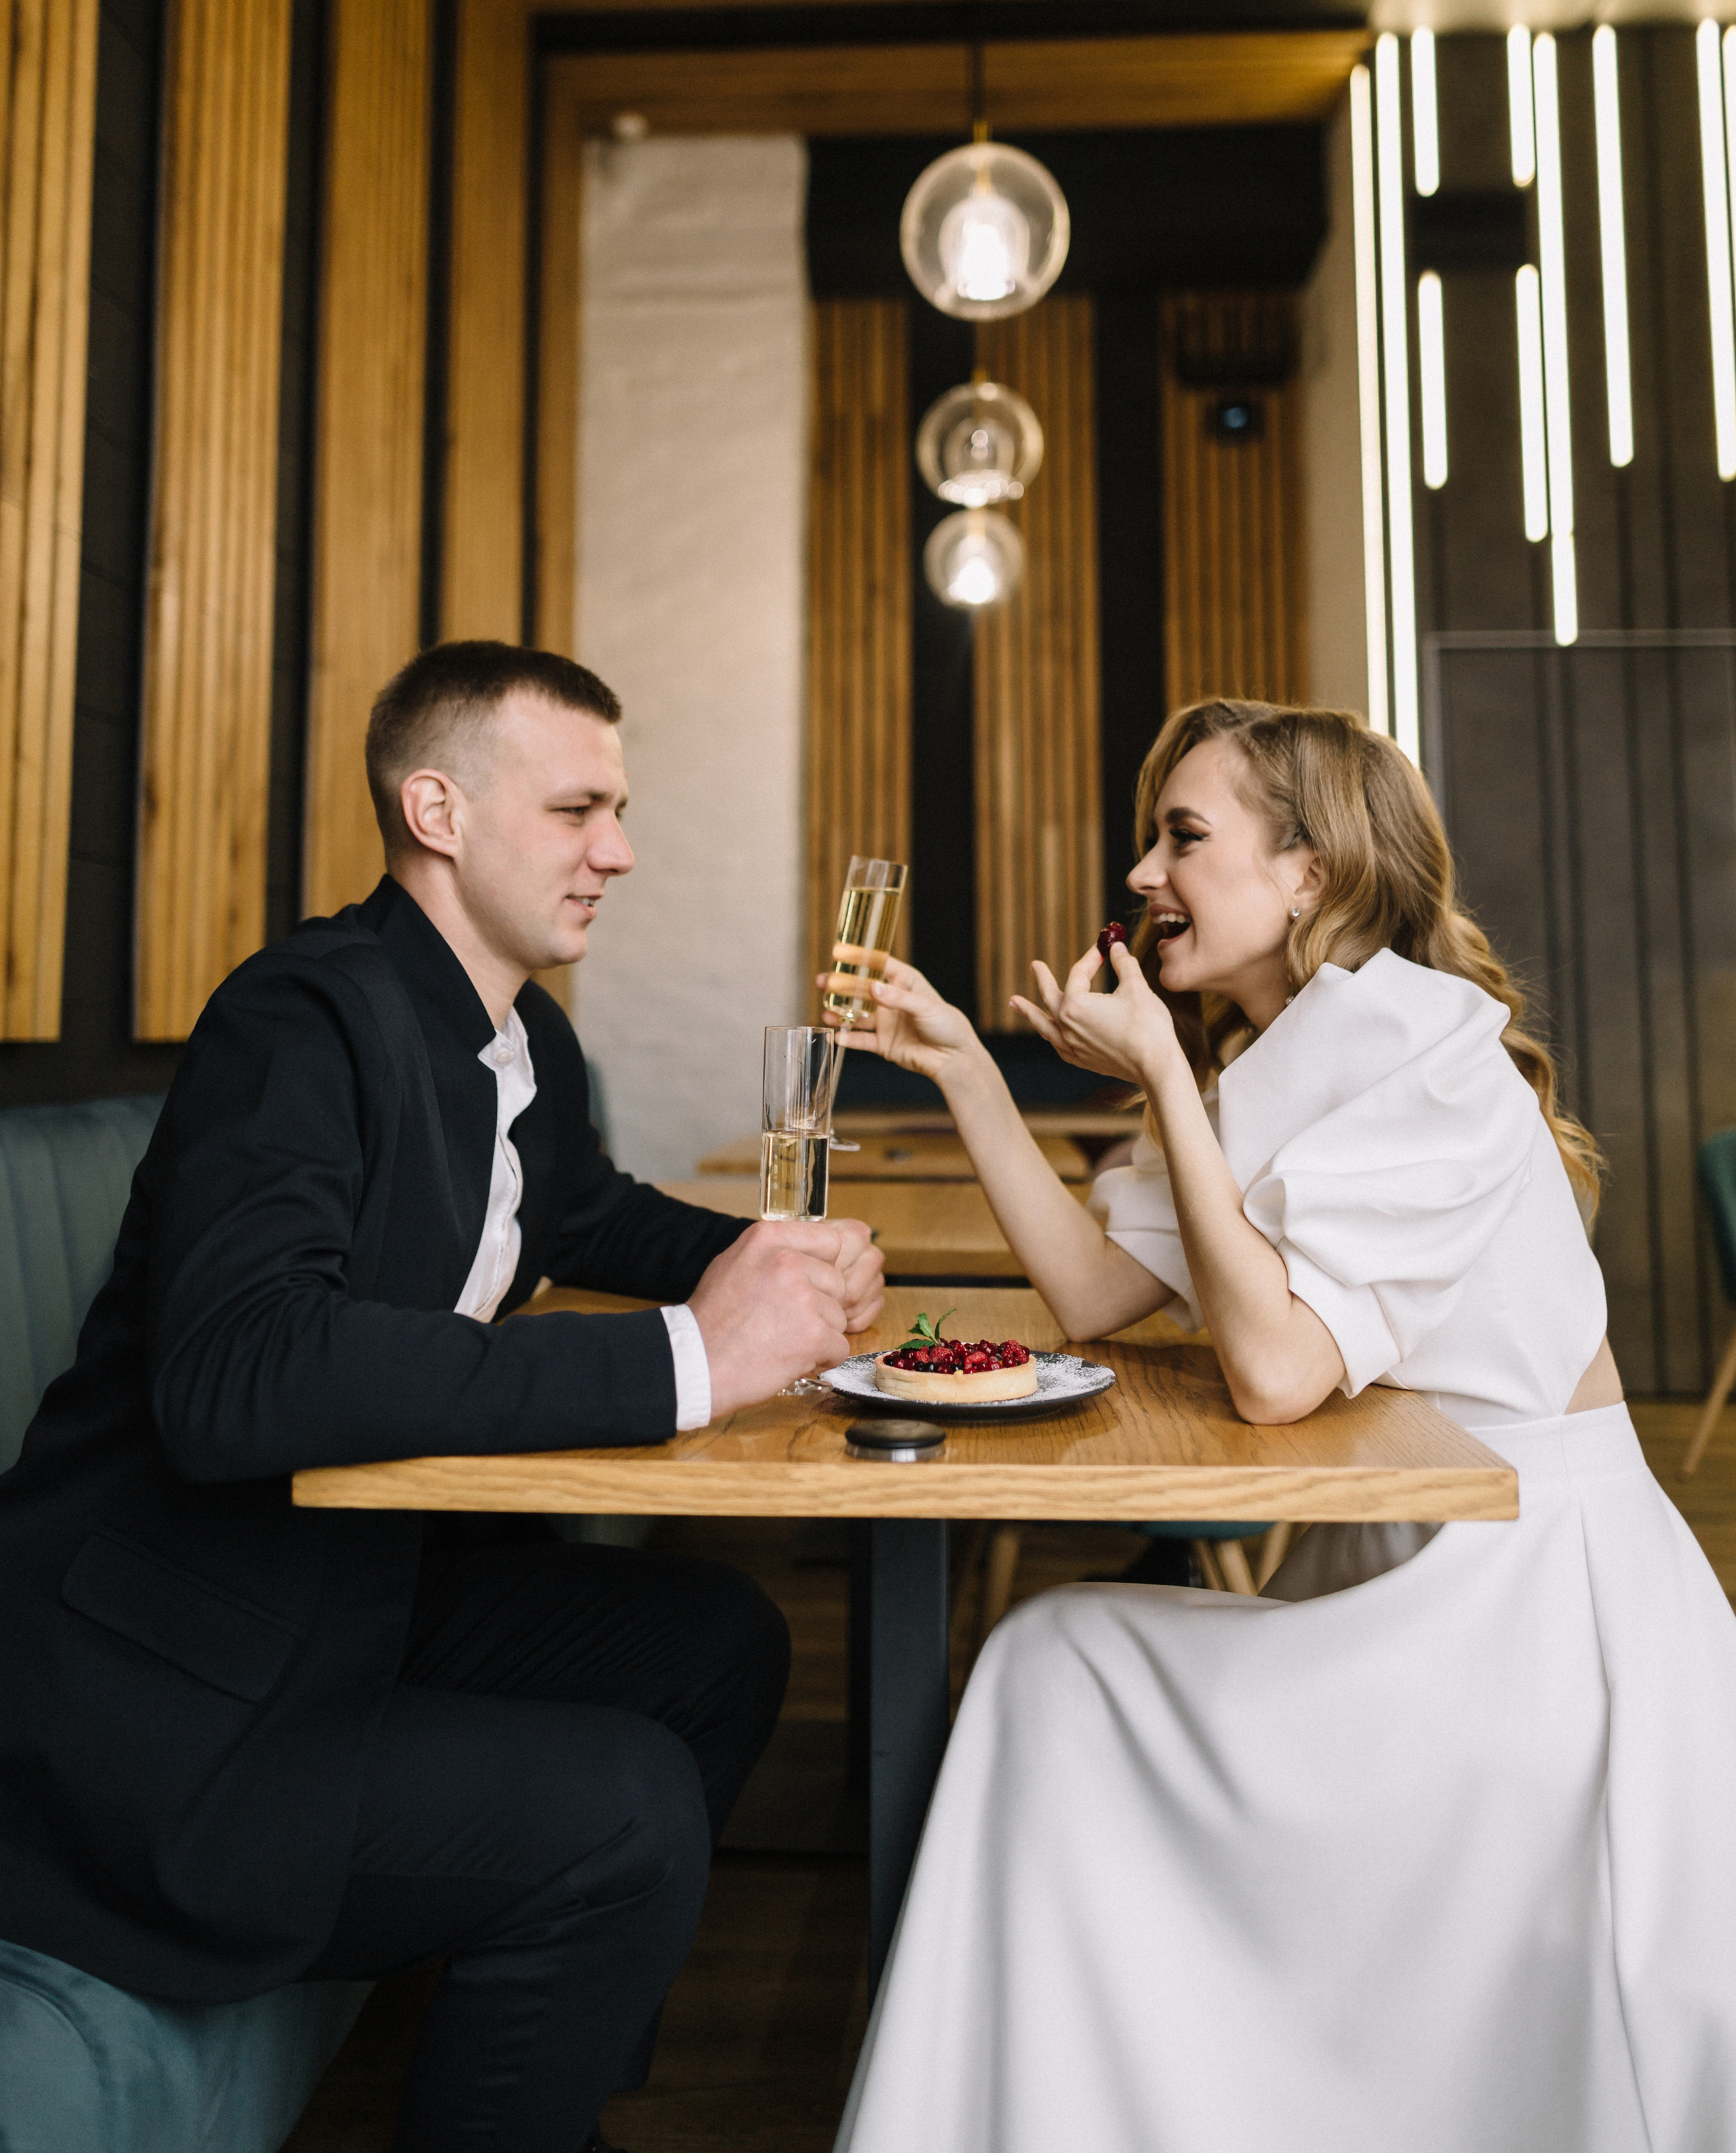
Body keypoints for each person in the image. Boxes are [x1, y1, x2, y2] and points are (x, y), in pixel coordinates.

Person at [0, 639, 884, 2153]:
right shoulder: (298, 1018)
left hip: (345, 1595)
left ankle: (547, 2067)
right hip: (162, 1696)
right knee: (626, 1809)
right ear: (438, 810)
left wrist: (767, 1263)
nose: (620, 849)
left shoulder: (513, 1031)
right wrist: (690, 1358)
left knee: (716, 1641)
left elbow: (589, 1213)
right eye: (577, 809)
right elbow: (238, 1375)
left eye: (618, 810)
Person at [829, 698, 1736, 2153]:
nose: (1141, 873)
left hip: (1523, 1620)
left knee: (1050, 1667)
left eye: (1182, 837)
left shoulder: (1422, 1047)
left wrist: (1172, 1089)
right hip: (1402, 1575)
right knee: (1052, 1668)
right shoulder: (1286, 1054)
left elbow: (1272, 1375)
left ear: (1307, 874)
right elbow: (1090, 1291)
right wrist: (965, 1068)